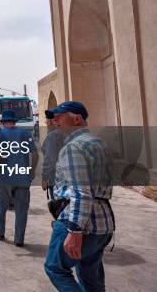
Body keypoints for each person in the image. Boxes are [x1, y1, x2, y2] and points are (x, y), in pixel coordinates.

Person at [43, 101, 115, 291]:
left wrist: (75, 230)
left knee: (55, 268)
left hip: (80, 223)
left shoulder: (74, 147)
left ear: (76, 119)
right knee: (91, 280)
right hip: (103, 224)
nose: (54, 120)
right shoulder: (99, 143)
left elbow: (81, 191)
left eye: (59, 116)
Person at [0, 110, 38, 247]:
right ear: (15, 121)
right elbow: (34, 154)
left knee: (1, 206)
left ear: (3, 122)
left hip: (5, 178)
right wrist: (32, 170)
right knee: (22, 209)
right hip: (23, 177)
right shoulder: (25, 134)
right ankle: (19, 239)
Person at [41, 110, 64, 200]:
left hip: (55, 179)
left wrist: (44, 178)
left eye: (46, 121)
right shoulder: (63, 132)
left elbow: (49, 159)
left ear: (50, 121)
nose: (46, 123)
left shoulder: (52, 136)